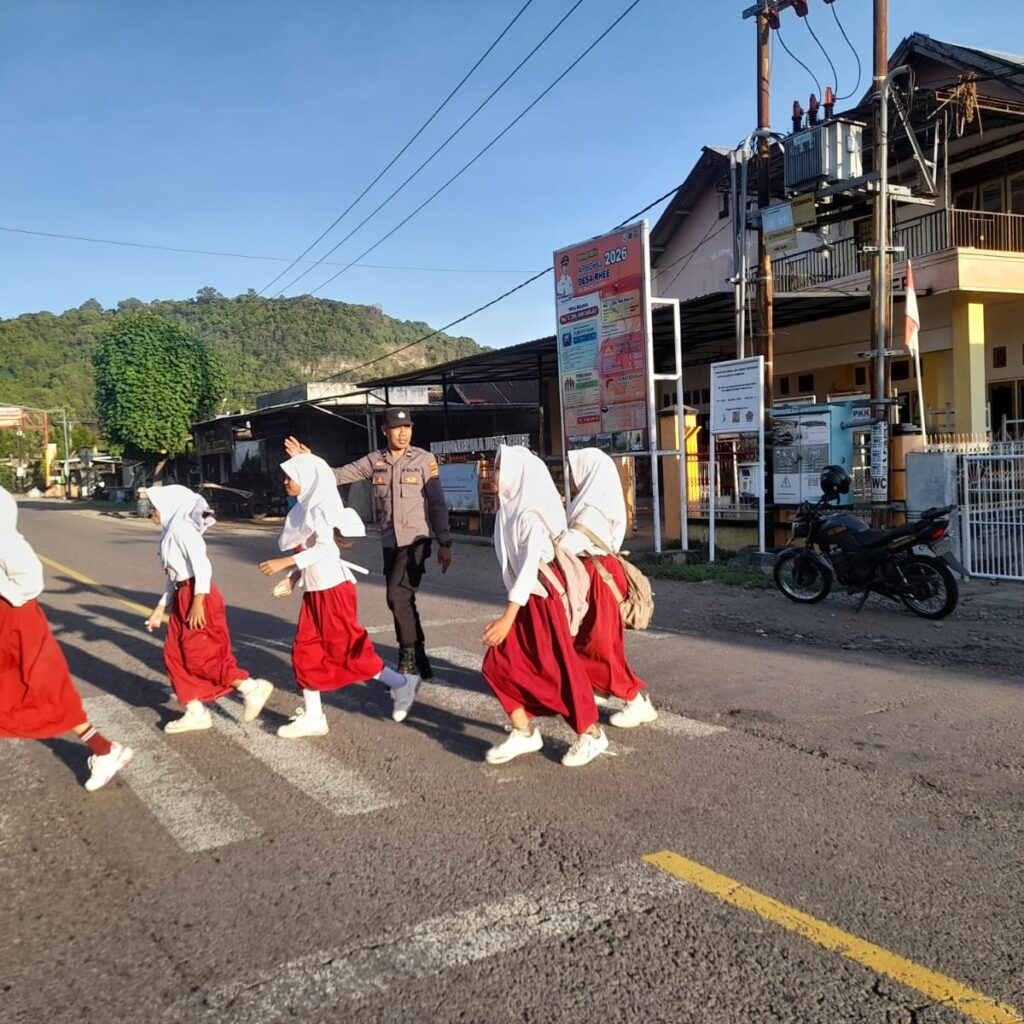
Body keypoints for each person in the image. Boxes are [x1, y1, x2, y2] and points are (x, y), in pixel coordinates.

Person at [258, 453, 421, 737]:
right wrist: (294, 577)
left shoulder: (319, 507)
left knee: (347, 649)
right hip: (315, 590)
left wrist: (285, 564)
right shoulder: (305, 507)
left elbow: (325, 550)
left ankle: (400, 683)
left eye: (290, 477)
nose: (285, 482)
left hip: (333, 589)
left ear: (306, 480)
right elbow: (305, 550)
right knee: (305, 648)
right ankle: (314, 715)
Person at [284, 407, 451, 680]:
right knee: (403, 599)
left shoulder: (424, 460)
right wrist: (309, 461)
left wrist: (445, 542)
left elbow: (437, 504)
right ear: (385, 430)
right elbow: (336, 476)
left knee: (396, 596)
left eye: (407, 427)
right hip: (389, 542)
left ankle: (407, 659)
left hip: (416, 542)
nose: (403, 433)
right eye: (397, 428)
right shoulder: (376, 460)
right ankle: (419, 656)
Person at [480, 445, 607, 768]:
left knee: (558, 667)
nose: (492, 475)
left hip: (541, 599)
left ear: (515, 474)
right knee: (498, 664)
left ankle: (591, 733)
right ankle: (524, 731)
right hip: (524, 600)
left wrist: (509, 616)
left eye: (497, 469)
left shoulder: (528, 516)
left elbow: (529, 568)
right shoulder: (507, 511)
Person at [0, 486, 133, 790]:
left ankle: (105, 749)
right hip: (8, 618)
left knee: (41, 687)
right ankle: (104, 749)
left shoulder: (5, 539)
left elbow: (31, 581)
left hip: (17, 620)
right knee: (24, 690)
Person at [144, 486, 274, 733]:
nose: (151, 512)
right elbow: (175, 576)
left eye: (155, 506)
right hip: (184, 593)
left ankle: (251, 688)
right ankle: (195, 713)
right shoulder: (170, 533)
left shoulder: (183, 531)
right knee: (174, 655)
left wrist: (198, 601)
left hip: (198, 595)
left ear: (171, 506)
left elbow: (202, 567)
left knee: (200, 657)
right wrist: (161, 607)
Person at [561, 449, 657, 728]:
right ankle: (597, 687)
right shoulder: (592, 500)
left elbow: (572, 541)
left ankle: (635, 701)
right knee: (588, 638)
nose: (574, 478)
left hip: (599, 577)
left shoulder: (591, 507)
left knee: (600, 642)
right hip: (596, 576)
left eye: (576, 472)